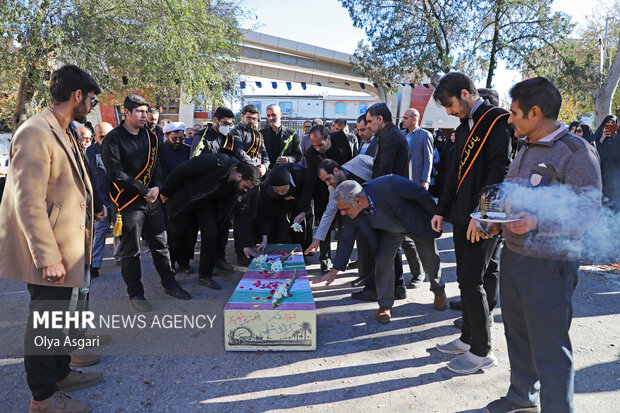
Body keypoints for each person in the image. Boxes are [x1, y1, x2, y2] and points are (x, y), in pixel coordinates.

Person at [483, 77, 602, 413]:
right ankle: (522, 395)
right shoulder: (525, 147)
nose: (509, 119)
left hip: (550, 265)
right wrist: (493, 219)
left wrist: (537, 222)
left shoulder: (577, 152)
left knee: (550, 348)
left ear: (535, 113)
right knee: (518, 335)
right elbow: (510, 196)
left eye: (514, 112)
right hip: (515, 257)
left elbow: (589, 210)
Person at [0, 64, 104, 412]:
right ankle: (42, 397)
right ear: (77, 96)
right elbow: (27, 201)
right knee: (46, 320)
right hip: (52, 252)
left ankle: (61, 371)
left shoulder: (63, 129)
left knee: (63, 318)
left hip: (70, 247)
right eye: (91, 98)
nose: (91, 104)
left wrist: (94, 206)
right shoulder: (36, 131)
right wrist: (47, 257)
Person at [431, 72, 511, 375]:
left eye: (450, 104)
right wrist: (442, 208)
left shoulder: (497, 120)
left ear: (466, 93)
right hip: (463, 216)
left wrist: (484, 216)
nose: (449, 111)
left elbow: (499, 171)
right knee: (468, 279)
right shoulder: (465, 126)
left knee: (472, 279)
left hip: (483, 218)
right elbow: (454, 171)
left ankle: (482, 352)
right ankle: (468, 338)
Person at [102, 94, 191, 311]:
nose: (145, 115)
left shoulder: (151, 137)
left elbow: (158, 166)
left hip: (151, 200)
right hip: (127, 202)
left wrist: (158, 187)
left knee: (161, 245)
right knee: (131, 251)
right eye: (140, 112)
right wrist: (144, 190)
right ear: (127, 112)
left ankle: (169, 283)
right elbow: (116, 174)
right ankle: (136, 293)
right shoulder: (113, 139)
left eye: (146, 111)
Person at [313, 177, 440, 324]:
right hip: (390, 231)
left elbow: (420, 193)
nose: (342, 213)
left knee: (430, 258)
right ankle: (385, 305)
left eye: (345, 209)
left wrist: (436, 216)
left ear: (359, 200)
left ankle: (438, 291)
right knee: (382, 262)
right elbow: (346, 240)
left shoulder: (389, 184)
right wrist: (334, 270)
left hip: (416, 222)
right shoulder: (351, 212)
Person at [161, 154, 260, 289]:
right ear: (239, 176)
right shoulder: (214, 162)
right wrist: (166, 191)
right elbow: (181, 171)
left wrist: (246, 244)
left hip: (206, 204)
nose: (245, 190)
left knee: (211, 234)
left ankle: (205, 275)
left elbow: (242, 216)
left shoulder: (239, 190)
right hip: (184, 198)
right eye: (245, 186)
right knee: (175, 235)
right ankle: (169, 274)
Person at [299, 125, 356, 273]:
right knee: (325, 225)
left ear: (328, 137)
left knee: (344, 226)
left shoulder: (341, 139)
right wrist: (304, 209)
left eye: (320, 144)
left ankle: (341, 259)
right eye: (314, 145)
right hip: (323, 193)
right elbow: (309, 181)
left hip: (347, 188)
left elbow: (350, 161)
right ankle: (325, 261)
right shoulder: (311, 154)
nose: (317, 149)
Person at [226, 104, 270, 265]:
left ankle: (250, 245)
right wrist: (254, 167)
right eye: (249, 118)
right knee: (242, 217)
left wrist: (265, 166)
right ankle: (241, 251)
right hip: (242, 180)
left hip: (257, 180)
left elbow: (265, 154)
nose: (251, 121)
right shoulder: (234, 132)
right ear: (242, 116)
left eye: (254, 119)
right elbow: (239, 153)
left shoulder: (259, 135)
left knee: (253, 214)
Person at [256, 163, 312, 252]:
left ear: (289, 183)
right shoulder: (267, 188)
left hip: (299, 196)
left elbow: (307, 194)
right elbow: (266, 213)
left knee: (300, 223)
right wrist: (264, 238)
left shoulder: (300, 174)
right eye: (277, 190)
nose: (280, 192)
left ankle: (304, 250)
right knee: (281, 223)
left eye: (283, 190)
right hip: (278, 202)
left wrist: (303, 211)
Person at [85, 122, 114, 279]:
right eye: (102, 136)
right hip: (100, 200)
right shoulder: (89, 152)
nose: (106, 139)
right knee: (100, 232)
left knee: (119, 230)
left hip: (119, 199)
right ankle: (95, 265)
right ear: (95, 137)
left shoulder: (119, 149)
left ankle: (121, 256)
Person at [593, 115, 620, 210]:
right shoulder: (598, 138)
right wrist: (602, 138)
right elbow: (592, 153)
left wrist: (615, 137)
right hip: (602, 175)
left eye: (612, 123)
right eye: (607, 124)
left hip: (616, 176)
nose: (610, 125)